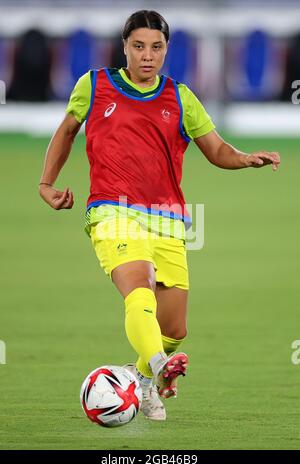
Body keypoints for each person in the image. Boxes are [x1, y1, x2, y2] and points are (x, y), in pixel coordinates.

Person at [39, 10, 281, 421]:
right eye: (139, 46)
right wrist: (47, 183)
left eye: (156, 47)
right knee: (140, 286)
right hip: (112, 211)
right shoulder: (95, 84)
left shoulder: (180, 97)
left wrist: (245, 159)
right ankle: (158, 367)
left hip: (168, 219)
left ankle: (142, 377)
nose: (147, 56)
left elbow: (216, 150)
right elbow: (66, 130)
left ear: (166, 49)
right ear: (124, 47)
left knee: (174, 329)